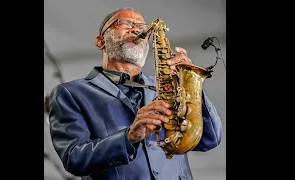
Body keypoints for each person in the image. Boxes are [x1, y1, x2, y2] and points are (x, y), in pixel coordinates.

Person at [48, 7, 223, 180]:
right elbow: (74, 158)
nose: (136, 29)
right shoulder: (70, 93)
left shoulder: (170, 86)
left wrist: (189, 86)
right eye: (125, 23)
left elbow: (210, 139)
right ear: (100, 42)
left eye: (141, 26)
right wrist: (129, 137)